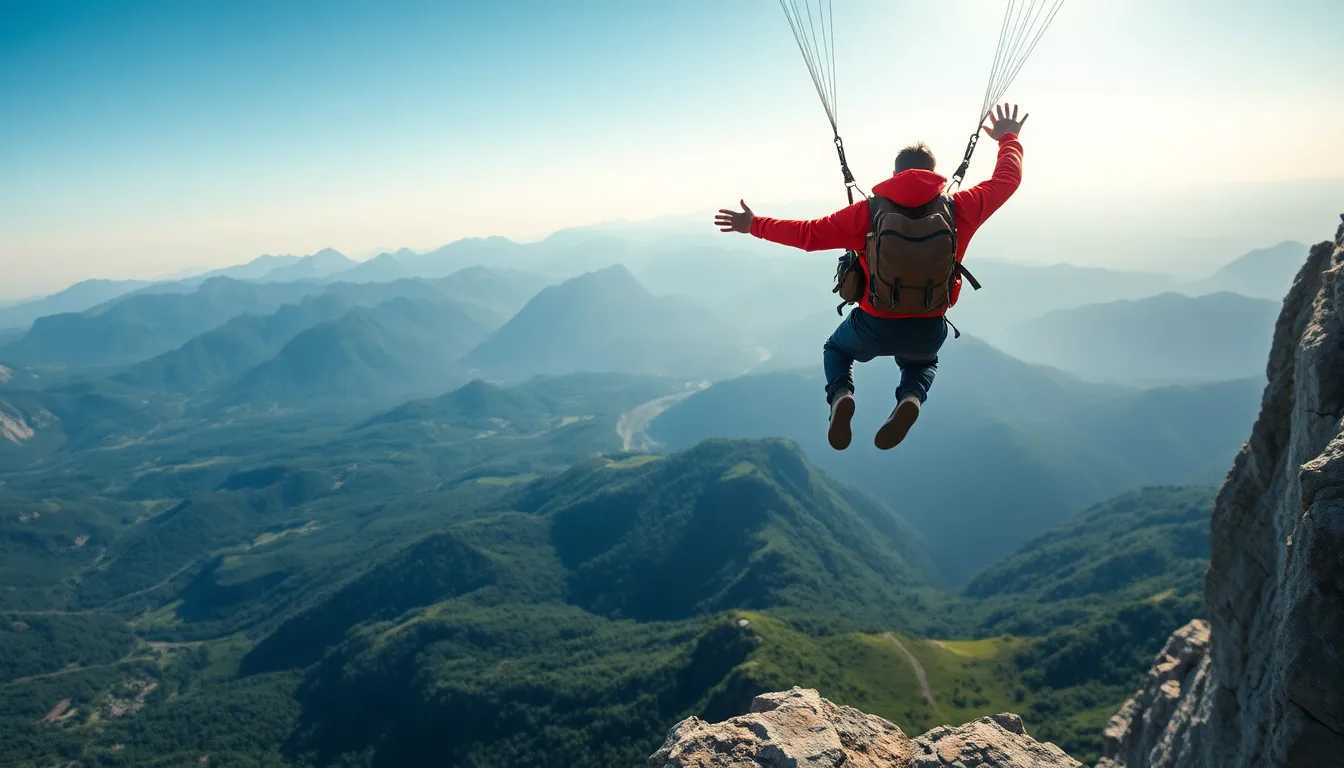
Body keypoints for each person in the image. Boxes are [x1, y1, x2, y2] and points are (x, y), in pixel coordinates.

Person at [715, 103, 1027, 451]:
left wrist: (753, 225)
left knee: (836, 349)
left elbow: (807, 235)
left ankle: (841, 396)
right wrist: (1007, 138)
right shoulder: (962, 208)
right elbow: (1007, 180)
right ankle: (911, 397)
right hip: (928, 324)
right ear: (934, 174)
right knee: (922, 362)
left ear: (894, 174)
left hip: (872, 324)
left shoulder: (868, 213)